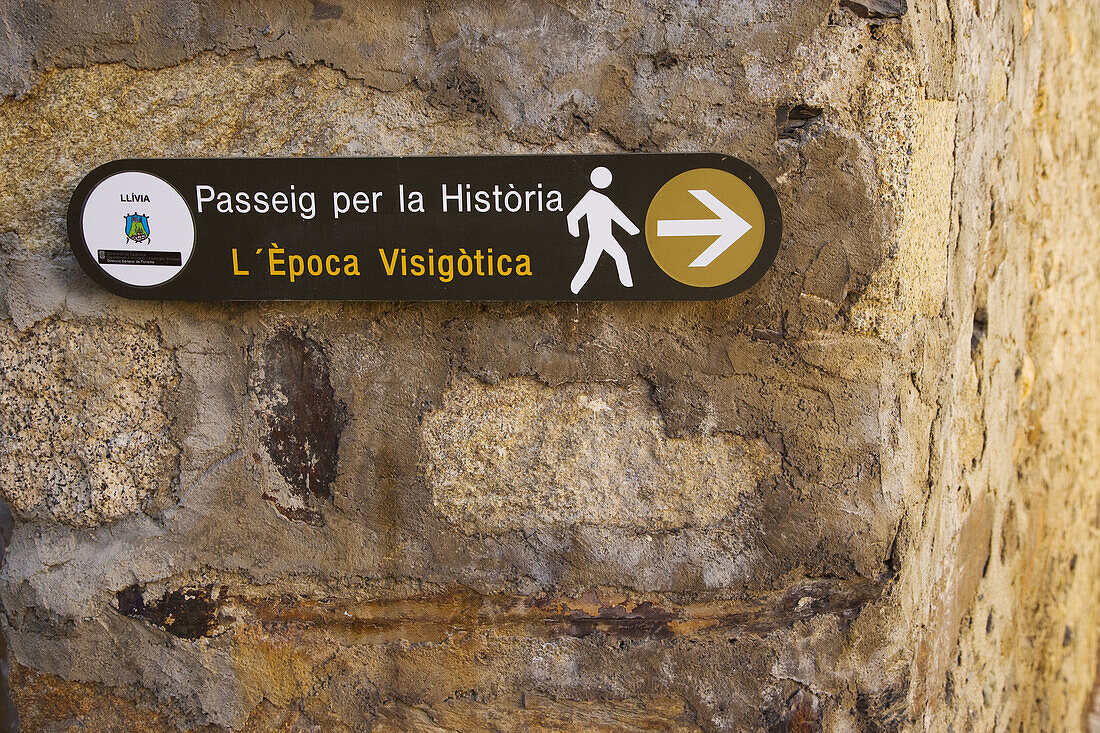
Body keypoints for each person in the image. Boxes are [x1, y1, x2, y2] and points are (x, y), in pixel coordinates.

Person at [566, 166, 639, 294]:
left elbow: (618, 217)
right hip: (596, 238)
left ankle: (629, 286)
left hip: (607, 237)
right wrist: (575, 234)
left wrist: (633, 230)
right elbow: (572, 216)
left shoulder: (605, 199)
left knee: (621, 256)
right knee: (590, 263)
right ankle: (574, 288)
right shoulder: (590, 198)